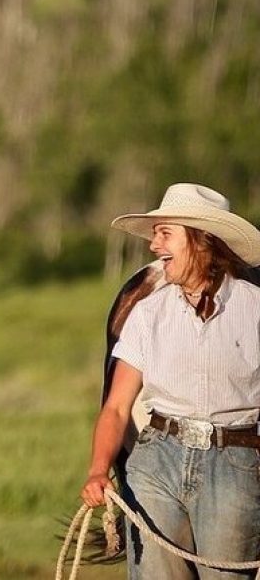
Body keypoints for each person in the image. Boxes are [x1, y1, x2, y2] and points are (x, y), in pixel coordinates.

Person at [80, 183, 260, 579]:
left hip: (235, 460)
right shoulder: (148, 314)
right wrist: (98, 469)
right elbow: (116, 406)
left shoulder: (254, 309)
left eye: (165, 233)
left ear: (202, 241)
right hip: (157, 457)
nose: (153, 246)